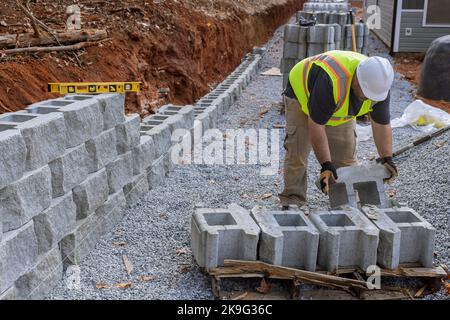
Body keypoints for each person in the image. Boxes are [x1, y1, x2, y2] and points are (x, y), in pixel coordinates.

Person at [279, 50, 398, 209]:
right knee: (298, 151)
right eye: (365, 94)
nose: (368, 99)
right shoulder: (332, 80)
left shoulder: (379, 88)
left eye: (371, 96)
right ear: (356, 78)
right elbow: (316, 125)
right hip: (301, 95)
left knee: (346, 160)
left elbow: (381, 124)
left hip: (339, 107)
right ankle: (292, 200)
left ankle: (343, 202)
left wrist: (387, 158)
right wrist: (326, 164)